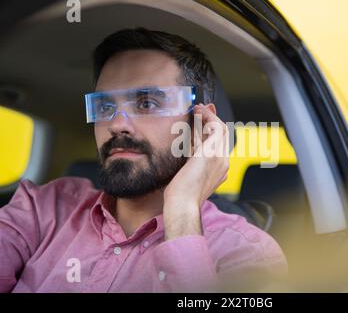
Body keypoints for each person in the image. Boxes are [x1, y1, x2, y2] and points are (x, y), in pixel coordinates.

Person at [0, 28, 287, 292]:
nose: (117, 125)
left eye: (147, 103)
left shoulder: (245, 252)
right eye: (105, 106)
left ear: (200, 122)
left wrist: (183, 210)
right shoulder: (44, 207)